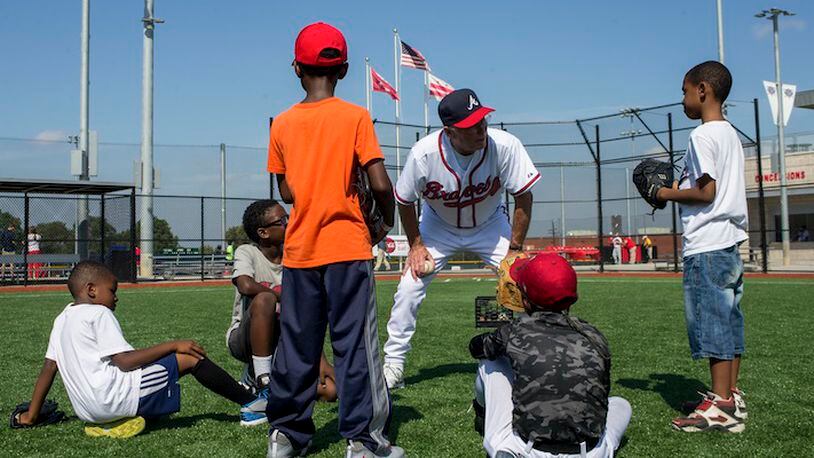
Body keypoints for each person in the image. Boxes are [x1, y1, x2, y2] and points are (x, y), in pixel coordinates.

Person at [265, 22, 400, 457]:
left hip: (300, 252)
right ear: (342, 70)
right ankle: (363, 442)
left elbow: (286, 192)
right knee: (355, 348)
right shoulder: (355, 115)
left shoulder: (282, 123)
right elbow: (379, 182)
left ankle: (286, 436)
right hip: (347, 249)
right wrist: (385, 220)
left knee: (296, 349)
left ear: (295, 69)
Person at [383, 88, 539, 390]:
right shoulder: (424, 153)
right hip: (437, 228)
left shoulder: (504, 145)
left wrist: (514, 247)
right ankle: (394, 365)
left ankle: (535, 357)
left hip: (491, 226)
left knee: (522, 282)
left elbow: (523, 195)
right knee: (408, 287)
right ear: (450, 132)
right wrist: (417, 244)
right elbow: (404, 199)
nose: (481, 129)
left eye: (483, 120)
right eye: (471, 126)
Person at [14, 261, 266, 438]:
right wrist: (173, 344)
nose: (116, 297)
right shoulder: (98, 313)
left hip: (87, 413)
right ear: (91, 290)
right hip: (111, 401)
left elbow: (49, 367)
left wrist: (31, 416)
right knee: (189, 358)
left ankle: (122, 420)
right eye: (112, 290)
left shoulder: (62, 318)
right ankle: (252, 404)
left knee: (154, 370)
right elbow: (125, 361)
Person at [656, 61, 748, 432]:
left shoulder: (702, 136)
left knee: (712, 324)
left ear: (703, 91)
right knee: (729, 321)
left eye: (685, 90)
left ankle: (721, 407)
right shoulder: (730, 133)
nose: (683, 97)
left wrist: (665, 193)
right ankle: (729, 395)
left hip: (707, 242)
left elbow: (705, 192)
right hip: (728, 242)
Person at [470, 253, 631, 457]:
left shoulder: (514, 330)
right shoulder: (594, 334)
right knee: (622, 405)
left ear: (525, 299)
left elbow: (475, 347)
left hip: (530, 448)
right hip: (588, 451)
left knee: (489, 361)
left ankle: (504, 444)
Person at [227, 199, 337, 427]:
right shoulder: (248, 251)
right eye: (282, 220)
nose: (290, 223)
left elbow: (305, 314)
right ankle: (263, 380)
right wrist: (285, 296)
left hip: (284, 341)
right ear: (263, 232)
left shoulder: (295, 256)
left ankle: (276, 379)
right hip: (244, 340)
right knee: (264, 298)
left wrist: (321, 360)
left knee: (330, 391)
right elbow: (246, 285)